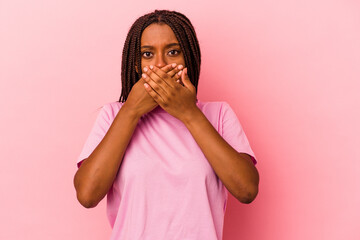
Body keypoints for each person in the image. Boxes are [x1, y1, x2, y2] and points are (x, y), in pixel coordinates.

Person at [73, 9, 259, 240]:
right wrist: (131, 111)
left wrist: (188, 112)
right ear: (135, 64)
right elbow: (87, 195)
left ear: (188, 59)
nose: (160, 64)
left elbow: (247, 189)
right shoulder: (113, 116)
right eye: (147, 54)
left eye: (173, 52)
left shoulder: (218, 114)